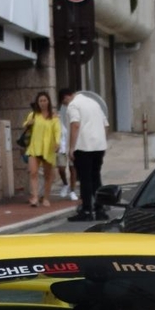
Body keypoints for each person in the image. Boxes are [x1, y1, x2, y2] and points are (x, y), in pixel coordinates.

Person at [60, 84, 109, 220]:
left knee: (85, 179)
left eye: (64, 103)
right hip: (99, 146)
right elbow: (106, 124)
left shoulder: (73, 105)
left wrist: (71, 147)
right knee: (96, 178)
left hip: (83, 146)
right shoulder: (93, 103)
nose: (65, 106)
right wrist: (101, 140)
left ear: (66, 97)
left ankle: (86, 210)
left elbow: (75, 124)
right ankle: (100, 210)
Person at [19, 92, 58, 206]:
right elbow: (25, 125)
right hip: (34, 148)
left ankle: (46, 197)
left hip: (47, 149)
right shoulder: (33, 115)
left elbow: (57, 130)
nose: (42, 103)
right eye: (40, 101)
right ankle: (35, 197)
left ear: (48, 102)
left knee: (47, 175)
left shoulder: (53, 116)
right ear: (37, 102)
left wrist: (57, 142)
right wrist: (28, 123)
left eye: (45, 100)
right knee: (33, 172)